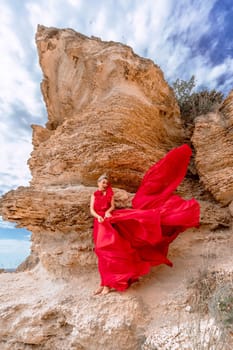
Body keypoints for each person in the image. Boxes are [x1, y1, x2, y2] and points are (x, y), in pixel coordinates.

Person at [90, 144, 200, 296]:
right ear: (98, 183)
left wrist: (108, 213)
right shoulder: (94, 195)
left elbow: (112, 207)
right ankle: (104, 283)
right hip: (100, 221)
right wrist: (99, 216)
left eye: (106, 182)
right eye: (103, 182)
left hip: (108, 219)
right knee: (102, 252)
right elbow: (92, 210)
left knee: (109, 250)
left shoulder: (110, 194)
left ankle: (110, 283)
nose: (105, 184)